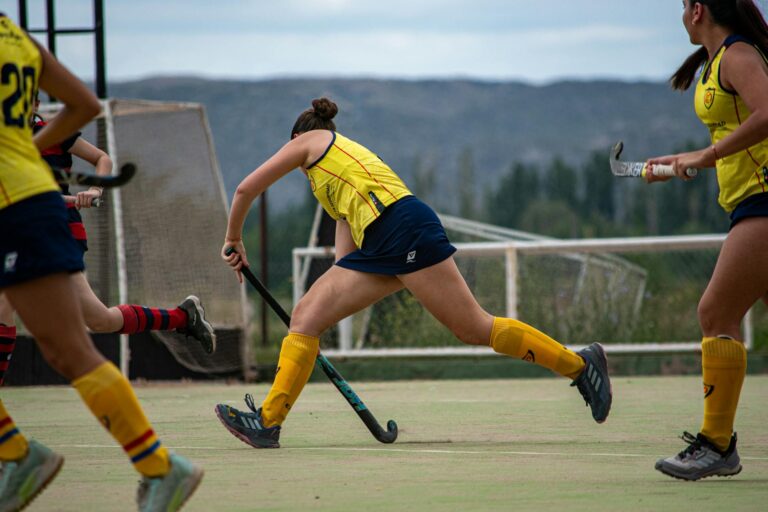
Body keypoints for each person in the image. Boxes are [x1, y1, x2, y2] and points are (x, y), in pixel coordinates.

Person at [215, 97, 613, 448]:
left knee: (474, 327)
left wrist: (235, 239)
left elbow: (245, 190)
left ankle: (581, 366)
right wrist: (311, 336)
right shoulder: (340, 176)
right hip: (383, 240)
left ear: (297, 138)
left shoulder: (308, 142)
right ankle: (268, 422)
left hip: (402, 227)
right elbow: (343, 262)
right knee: (306, 316)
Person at [0, 13, 202, 510]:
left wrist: (22, 154)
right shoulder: (14, 35)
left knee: (83, 336)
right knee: (81, 336)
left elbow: (85, 123)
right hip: (30, 205)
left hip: (18, 211)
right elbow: (83, 104)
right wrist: (24, 151)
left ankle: (152, 465)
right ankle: (22, 454)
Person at [0, 99, 216, 392]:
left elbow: (102, 158)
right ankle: (183, 317)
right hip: (17, 232)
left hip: (56, 232)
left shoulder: (52, 133)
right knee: (92, 319)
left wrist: (94, 189)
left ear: (36, 103)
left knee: (96, 320)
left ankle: (183, 317)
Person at [646, 0, 768, 481]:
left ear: (698, 10)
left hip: (763, 199)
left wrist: (708, 152)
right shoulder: (718, 63)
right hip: (749, 200)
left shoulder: (737, 56)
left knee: (715, 313)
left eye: (681, 7)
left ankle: (717, 445)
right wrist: (686, 158)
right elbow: (735, 131)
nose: (680, 17)